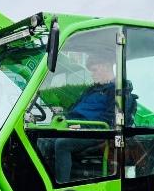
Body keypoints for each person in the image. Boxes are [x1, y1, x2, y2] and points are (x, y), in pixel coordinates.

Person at [52, 54, 136, 183]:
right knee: (42, 139)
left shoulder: (117, 91)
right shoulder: (91, 90)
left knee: (62, 144)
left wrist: (83, 127)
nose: (91, 74)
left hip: (97, 132)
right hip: (74, 126)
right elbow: (74, 109)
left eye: (94, 70)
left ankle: (61, 186)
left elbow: (110, 122)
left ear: (106, 67)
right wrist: (63, 114)